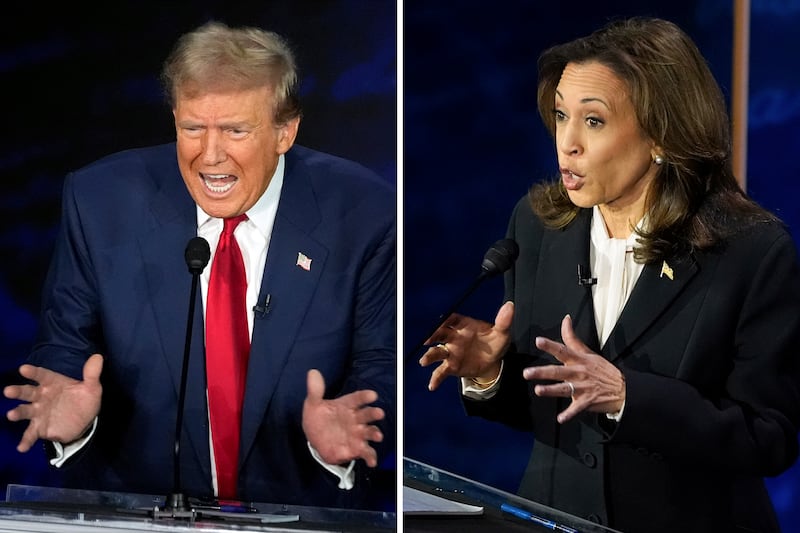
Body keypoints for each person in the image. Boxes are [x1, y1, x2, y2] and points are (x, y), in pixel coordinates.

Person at [419, 16, 800, 533]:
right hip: (556, 518)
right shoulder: (536, 226)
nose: (567, 143)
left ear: (662, 135)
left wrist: (628, 397)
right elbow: (554, 411)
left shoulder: (750, 251)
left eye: (593, 121)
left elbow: (769, 438)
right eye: (560, 116)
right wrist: (492, 374)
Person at [3, 21, 395, 511]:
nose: (209, 156)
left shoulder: (364, 214)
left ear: (284, 131)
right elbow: (65, 349)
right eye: (192, 128)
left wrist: (348, 428)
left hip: (303, 510)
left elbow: (381, 365)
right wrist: (73, 421)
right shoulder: (99, 202)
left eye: (235, 130)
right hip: (139, 511)